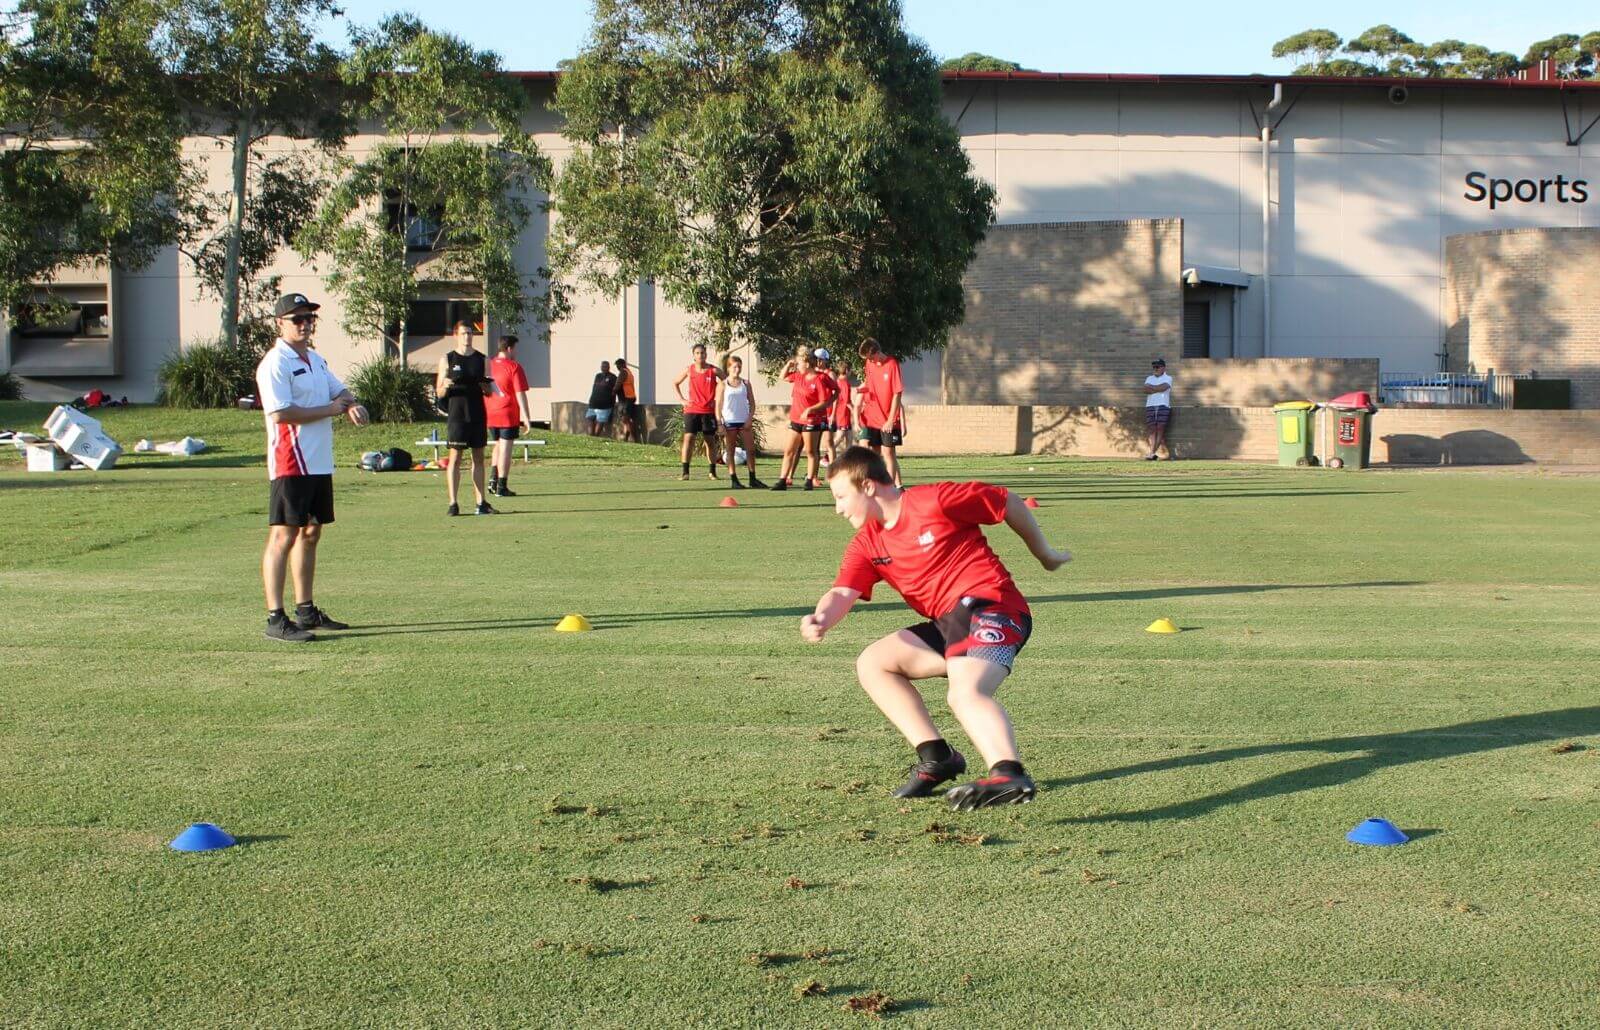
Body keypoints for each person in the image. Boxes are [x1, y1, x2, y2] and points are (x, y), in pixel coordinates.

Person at [800, 447, 1072, 809]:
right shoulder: (867, 542)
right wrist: (821, 618)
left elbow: (1006, 502)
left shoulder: (934, 501)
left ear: (867, 486)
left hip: (993, 608)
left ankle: (1008, 772)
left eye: (840, 496)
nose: (838, 508)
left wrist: (1045, 555)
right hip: (950, 623)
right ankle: (938, 757)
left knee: (965, 693)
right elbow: (842, 592)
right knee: (874, 663)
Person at [256, 292, 369, 643]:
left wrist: (351, 404)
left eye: (309, 319)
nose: (305, 324)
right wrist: (333, 409)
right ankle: (276, 617)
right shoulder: (275, 363)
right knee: (283, 535)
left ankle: (305, 610)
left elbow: (341, 390)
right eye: (297, 319)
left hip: (318, 461)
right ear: (280, 323)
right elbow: (281, 412)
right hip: (292, 461)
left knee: (311, 532)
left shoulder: (315, 360)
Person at [435, 320, 495, 516]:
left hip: (477, 414)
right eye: (463, 333)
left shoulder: (482, 359)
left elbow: (489, 391)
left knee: (478, 458)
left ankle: (481, 502)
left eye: (470, 333)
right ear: (456, 335)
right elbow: (439, 392)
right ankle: (453, 503)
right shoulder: (448, 359)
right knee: (455, 457)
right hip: (457, 416)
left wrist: (485, 386)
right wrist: (447, 385)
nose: (467, 337)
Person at [772, 348, 837, 491]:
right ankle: (782, 480)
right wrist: (788, 365)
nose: (797, 365)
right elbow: (782, 377)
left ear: (807, 364)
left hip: (811, 421)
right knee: (789, 450)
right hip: (796, 419)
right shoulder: (798, 376)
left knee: (810, 451)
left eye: (800, 362)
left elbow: (827, 398)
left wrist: (810, 409)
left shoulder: (819, 379)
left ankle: (809, 480)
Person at [858, 338, 908, 487]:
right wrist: (862, 390)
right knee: (875, 455)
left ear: (877, 352)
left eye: (870, 357)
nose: (869, 361)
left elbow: (897, 393)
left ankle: (890, 489)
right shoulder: (869, 364)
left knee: (888, 454)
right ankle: (877, 486)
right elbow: (871, 384)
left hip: (888, 419)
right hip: (873, 418)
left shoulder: (892, 364)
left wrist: (891, 420)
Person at [486, 335, 531, 497]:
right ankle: (502, 486)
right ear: (510, 348)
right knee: (506, 448)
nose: (516, 352)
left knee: (497, 445)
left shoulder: (488, 365)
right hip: (507, 413)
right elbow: (520, 394)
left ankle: (493, 479)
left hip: (491, 412)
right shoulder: (514, 367)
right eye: (515, 349)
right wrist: (526, 417)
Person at [714, 354, 766, 489]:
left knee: (750, 450)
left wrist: (749, 419)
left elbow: (752, 403)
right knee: (730, 450)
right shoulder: (723, 384)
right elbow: (718, 405)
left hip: (744, 421)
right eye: (734, 367)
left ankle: (752, 478)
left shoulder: (746, 383)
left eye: (739, 367)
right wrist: (719, 423)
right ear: (729, 368)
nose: (737, 369)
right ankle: (734, 479)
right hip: (729, 421)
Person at [673, 343, 723, 480]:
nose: (700, 355)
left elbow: (727, 383)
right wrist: (682, 399)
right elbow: (675, 382)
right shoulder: (689, 370)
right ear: (694, 356)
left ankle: (712, 472)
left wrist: (718, 399)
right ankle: (685, 472)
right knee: (688, 439)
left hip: (708, 411)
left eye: (702, 353)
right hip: (692, 410)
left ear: (706, 354)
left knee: (710, 441)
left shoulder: (713, 371)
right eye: (697, 353)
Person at [825, 353, 855, 468]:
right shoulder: (844, 383)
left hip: (841, 413)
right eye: (850, 370)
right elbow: (846, 402)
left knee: (849, 438)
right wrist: (856, 413)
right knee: (841, 435)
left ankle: (847, 463)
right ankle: (827, 456)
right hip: (843, 414)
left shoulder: (837, 381)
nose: (851, 372)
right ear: (847, 370)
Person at [1143, 357, 1173, 460]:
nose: (1155, 368)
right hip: (1150, 405)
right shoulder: (1149, 378)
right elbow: (1145, 390)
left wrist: (1153, 388)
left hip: (1163, 405)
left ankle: (1151, 452)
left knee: (1160, 428)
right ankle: (1152, 453)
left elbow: (1164, 387)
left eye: (1158, 366)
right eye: (1154, 366)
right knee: (1152, 429)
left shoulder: (1168, 378)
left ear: (1163, 368)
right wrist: (1157, 389)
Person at [586, 360, 619, 437]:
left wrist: (613, 402)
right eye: (602, 366)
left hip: (605, 404)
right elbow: (594, 388)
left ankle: (596, 437)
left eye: (605, 366)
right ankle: (591, 436)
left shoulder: (613, 377)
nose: (603, 368)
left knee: (600, 420)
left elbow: (615, 390)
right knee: (590, 418)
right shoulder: (598, 376)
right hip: (593, 402)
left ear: (608, 367)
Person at [615, 357, 642, 443]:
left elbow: (618, 384)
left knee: (625, 419)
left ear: (622, 365)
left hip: (625, 399)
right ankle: (626, 439)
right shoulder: (629, 372)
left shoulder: (623, 372)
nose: (617, 367)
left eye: (618, 365)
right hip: (631, 397)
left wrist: (613, 392)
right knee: (628, 420)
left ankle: (634, 439)